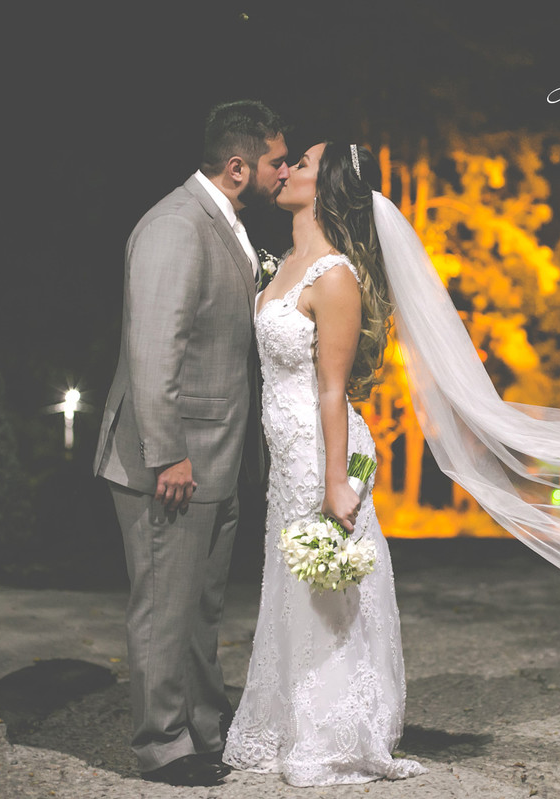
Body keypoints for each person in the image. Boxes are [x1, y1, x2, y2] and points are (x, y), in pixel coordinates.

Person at [93, 100, 289, 788]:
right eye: (275, 162)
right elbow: (154, 347)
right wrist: (167, 453)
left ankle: (205, 725)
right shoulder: (176, 226)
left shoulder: (224, 220)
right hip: (172, 461)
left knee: (201, 607)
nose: (284, 171)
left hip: (218, 458)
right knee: (163, 607)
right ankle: (162, 745)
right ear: (238, 167)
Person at [222, 142, 427, 786]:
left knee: (327, 592)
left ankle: (336, 733)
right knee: (291, 587)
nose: (285, 170)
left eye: (302, 164)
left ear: (327, 186)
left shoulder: (334, 275)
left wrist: (338, 481)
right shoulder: (283, 265)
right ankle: (291, 720)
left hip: (323, 453)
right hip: (287, 456)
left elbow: (333, 389)